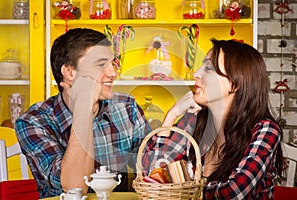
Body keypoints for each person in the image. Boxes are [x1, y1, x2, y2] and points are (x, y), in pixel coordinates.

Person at [15, 28, 151, 198]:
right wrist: (83, 109)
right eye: (101, 65)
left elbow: (153, 166)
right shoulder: (33, 121)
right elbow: (75, 187)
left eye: (112, 64)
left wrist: (172, 117)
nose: (113, 73)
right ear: (70, 73)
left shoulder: (126, 107)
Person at [143, 39, 284, 199]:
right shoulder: (195, 119)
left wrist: (183, 187)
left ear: (235, 84)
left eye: (208, 68)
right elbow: (150, 175)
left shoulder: (265, 130)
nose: (196, 73)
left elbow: (233, 193)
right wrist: (172, 114)